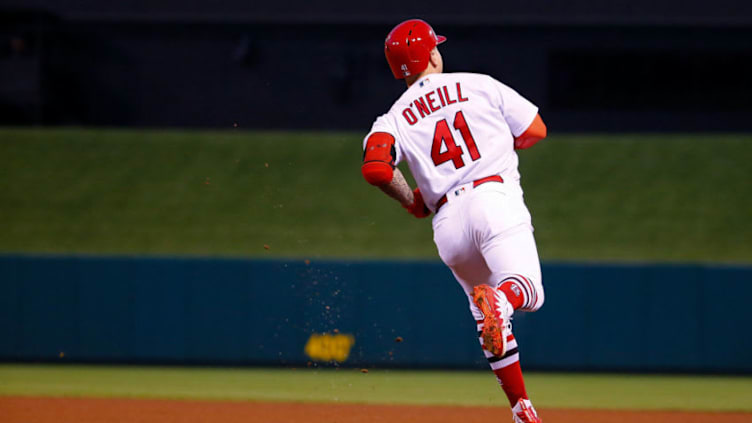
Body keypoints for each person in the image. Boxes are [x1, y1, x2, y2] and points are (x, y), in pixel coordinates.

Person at [361, 19, 548, 423]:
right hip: (492, 197)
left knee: (487, 322)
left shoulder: (392, 117)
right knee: (526, 294)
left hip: (447, 225)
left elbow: (376, 167)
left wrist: (410, 199)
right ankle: (502, 300)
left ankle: (521, 408)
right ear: (432, 54)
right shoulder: (478, 84)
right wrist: (499, 140)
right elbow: (536, 130)